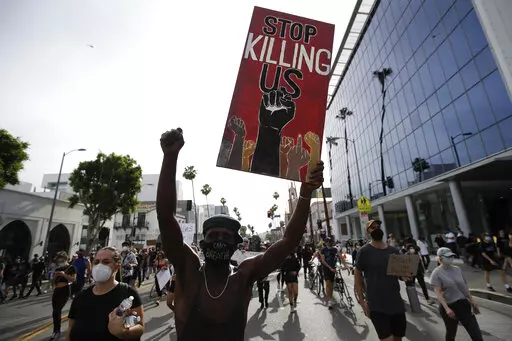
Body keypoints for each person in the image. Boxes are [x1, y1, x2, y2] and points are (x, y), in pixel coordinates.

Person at [157, 128, 323, 341]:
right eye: (213, 235)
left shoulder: (244, 276)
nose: (218, 240)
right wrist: (170, 157)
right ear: (202, 243)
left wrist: (306, 193)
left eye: (226, 237)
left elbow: (288, 241)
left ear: (237, 244)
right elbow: (165, 216)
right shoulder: (188, 269)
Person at [66, 247, 144, 341]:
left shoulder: (128, 294)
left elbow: (140, 327)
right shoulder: (80, 297)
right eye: (96, 262)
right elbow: (70, 330)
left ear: (117, 267)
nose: (100, 266)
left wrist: (123, 332)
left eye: (106, 262)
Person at [354, 220, 407, 341]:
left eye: (378, 226)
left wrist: (406, 276)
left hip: (396, 304)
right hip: (376, 306)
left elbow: (400, 275)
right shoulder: (363, 252)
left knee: (398, 338)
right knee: (388, 339)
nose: (376, 228)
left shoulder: (394, 251)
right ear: (368, 232)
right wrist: (362, 302)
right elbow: (357, 278)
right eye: (372, 227)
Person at [431, 247, 483, 341]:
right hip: (449, 307)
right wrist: (447, 309)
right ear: (440, 258)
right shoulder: (436, 273)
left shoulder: (457, 269)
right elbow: (438, 293)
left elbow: (464, 287)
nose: (450, 258)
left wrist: (472, 301)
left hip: (463, 304)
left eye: (451, 256)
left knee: (476, 334)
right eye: (447, 256)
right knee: (451, 332)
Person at [50, 252, 76, 340]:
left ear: (65, 259)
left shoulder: (71, 268)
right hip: (56, 290)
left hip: (64, 290)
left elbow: (73, 279)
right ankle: (56, 330)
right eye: (58, 260)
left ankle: (57, 331)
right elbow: (53, 282)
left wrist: (64, 275)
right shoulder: (58, 268)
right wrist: (54, 277)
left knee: (57, 310)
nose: (59, 261)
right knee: (54, 312)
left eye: (60, 259)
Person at [320, 237, 347, 309]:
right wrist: (330, 268)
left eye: (330, 241)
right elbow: (323, 261)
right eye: (327, 241)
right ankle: (329, 300)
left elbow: (341, 257)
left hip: (333, 269)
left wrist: (345, 266)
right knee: (328, 284)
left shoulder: (334, 249)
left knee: (331, 285)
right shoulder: (323, 250)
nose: (329, 243)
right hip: (326, 269)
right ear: (325, 242)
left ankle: (330, 298)